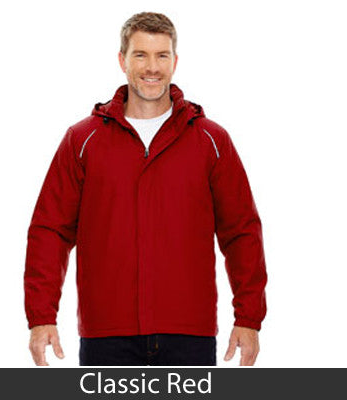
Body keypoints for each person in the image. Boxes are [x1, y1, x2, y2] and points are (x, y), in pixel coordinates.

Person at [24, 11, 268, 367]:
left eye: (161, 55)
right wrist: (41, 315)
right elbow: (50, 230)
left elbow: (241, 231)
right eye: (140, 55)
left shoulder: (211, 141)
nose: (152, 67)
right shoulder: (82, 140)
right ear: (122, 60)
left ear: (175, 61)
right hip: (107, 335)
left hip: (189, 335)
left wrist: (249, 318)